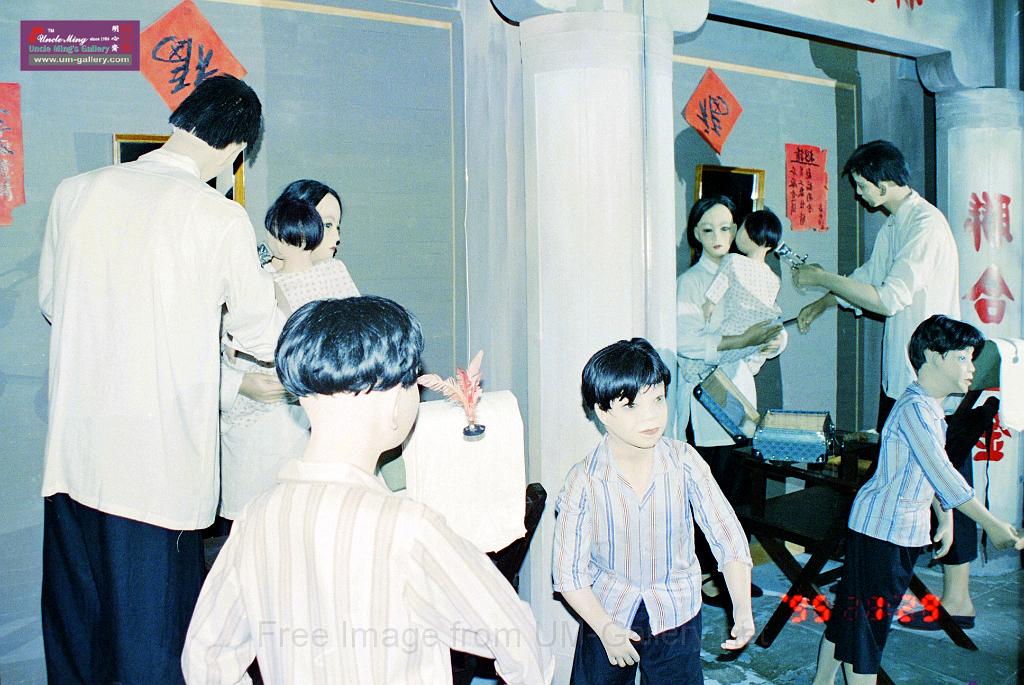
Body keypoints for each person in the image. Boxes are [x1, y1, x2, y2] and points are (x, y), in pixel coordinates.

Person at [37, 75, 282, 684]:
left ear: (181, 121)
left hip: (71, 463)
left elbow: (52, 303)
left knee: (78, 648)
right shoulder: (219, 217)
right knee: (152, 655)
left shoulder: (75, 192)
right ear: (236, 150)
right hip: (157, 479)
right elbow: (262, 337)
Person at [183, 296, 552, 684]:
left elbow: (206, 658)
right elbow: (519, 640)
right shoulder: (407, 528)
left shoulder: (256, 519)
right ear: (395, 401)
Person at [811, 315, 1024, 685]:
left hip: (891, 529)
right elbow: (943, 473)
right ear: (933, 357)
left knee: (853, 615)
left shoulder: (928, 407)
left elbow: (931, 471)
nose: (972, 368)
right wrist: (991, 524)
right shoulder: (914, 409)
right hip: (882, 532)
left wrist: (947, 518)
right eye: (963, 358)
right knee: (867, 629)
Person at [552, 338, 754, 684]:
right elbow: (568, 574)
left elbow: (728, 537)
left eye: (658, 399)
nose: (651, 416)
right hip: (608, 611)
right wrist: (604, 627)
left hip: (676, 610)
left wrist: (743, 608)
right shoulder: (582, 481)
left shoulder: (685, 463)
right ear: (602, 412)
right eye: (631, 405)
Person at [793, 140, 960, 430]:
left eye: (861, 185)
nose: (858, 193)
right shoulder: (894, 224)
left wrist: (821, 278)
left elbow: (887, 300)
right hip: (903, 371)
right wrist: (823, 302)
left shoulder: (925, 226)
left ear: (883, 186)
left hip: (927, 375)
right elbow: (868, 277)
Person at [219, 183, 359, 520]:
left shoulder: (336, 277)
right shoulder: (249, 280)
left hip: (317, 430)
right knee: (257, 527)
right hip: (255, 436)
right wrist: (240, 384)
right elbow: (208, 354)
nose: (336, 236)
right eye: (327, 224)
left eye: (338, 226)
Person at [675, 196, 783, 605]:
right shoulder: (691, 282)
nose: (718, 237)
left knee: (742, 489)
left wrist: (771, 341)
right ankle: (708, 574)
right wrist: (738, 340)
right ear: (695, 235)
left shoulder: (750, 271)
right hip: (707, 397)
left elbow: (770, 322)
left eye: (726, 228)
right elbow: (685, 340)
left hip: (740, 392)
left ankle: (733, 570)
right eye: (708, 230)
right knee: (713, 488)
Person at [682, 207, 785, 381]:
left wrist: (709, 305)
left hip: (734, 326)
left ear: (749, 233)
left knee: (711, 359)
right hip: (755, 335)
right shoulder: (774, 279)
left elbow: (718, 287)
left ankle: (697, 374)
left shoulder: (733, 261)